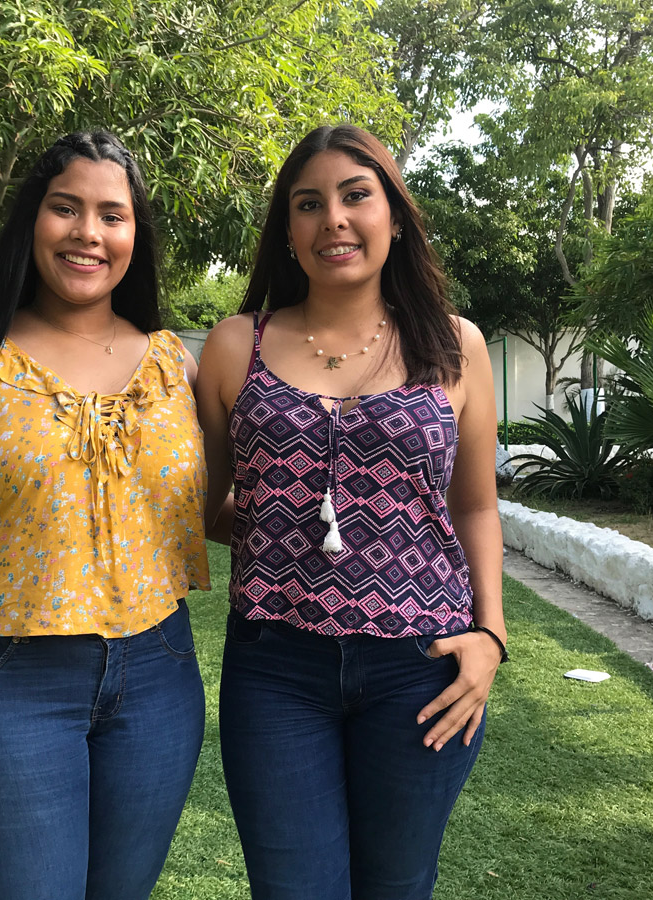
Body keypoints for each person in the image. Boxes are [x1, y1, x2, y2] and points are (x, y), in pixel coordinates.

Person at [0, 131, 210, 900]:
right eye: (66, 209)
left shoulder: (173, 363)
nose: (88, 232)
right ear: (33, 220)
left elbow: (213, 506)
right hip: (4, 677)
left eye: (112, 215)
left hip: (159, 677)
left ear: (135, 236)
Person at [195, 124, 506, 900]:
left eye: (355, 195)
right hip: (276, 667)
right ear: (288, 232)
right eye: (309, 204)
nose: (333, 218)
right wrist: (286, 523)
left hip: (423, 665)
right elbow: (203, 504)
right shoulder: (238, 346)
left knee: (398, 885)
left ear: (394, 217)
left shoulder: (455, 345)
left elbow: (474, 506)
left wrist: (490, 638)